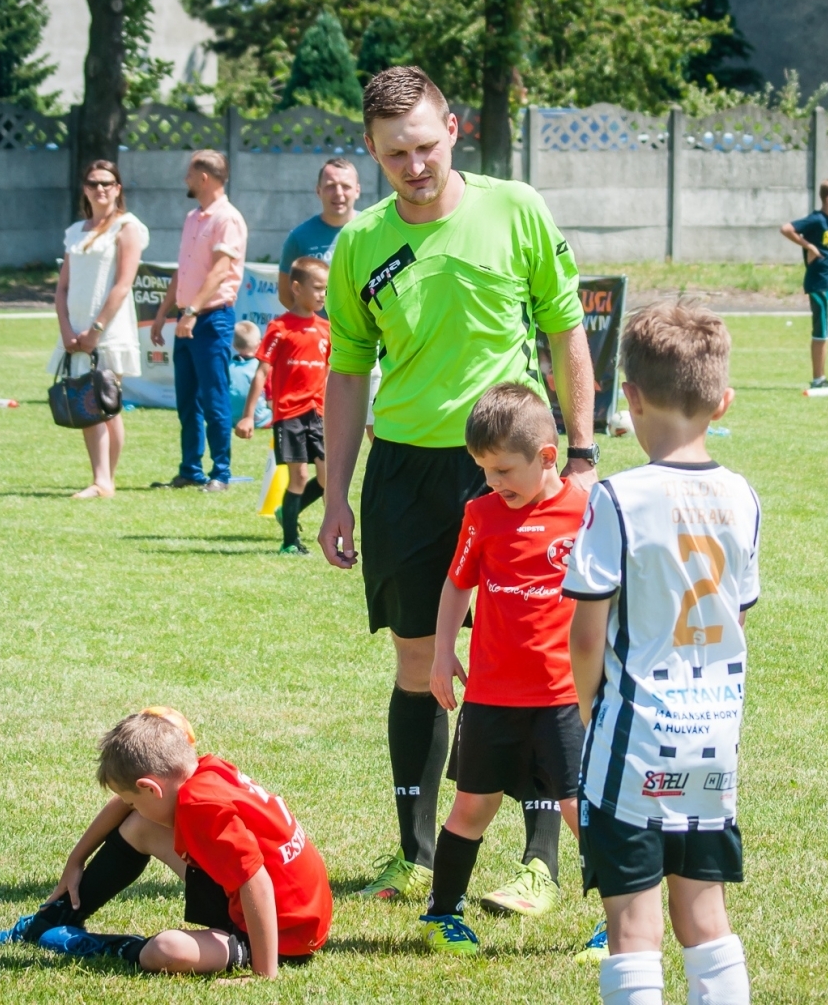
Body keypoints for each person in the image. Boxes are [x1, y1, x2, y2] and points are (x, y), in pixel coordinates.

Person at [319, 66, 597, 903]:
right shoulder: (359, 243)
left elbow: (567, 333)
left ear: (454, 129)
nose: (415, 164)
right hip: (404, 467)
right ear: (372, 151)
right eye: (395, 152)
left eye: (427, 145)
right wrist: (335, 493)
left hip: (514, 468)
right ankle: (415, 852)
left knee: (537, 660)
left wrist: (579, 454)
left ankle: (540, 862)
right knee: (417, 659)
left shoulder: (518, 209)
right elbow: (345, 373)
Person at [565, 301, 760, 1005]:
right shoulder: (743, 496)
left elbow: (586, 634)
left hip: (636, 741)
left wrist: (591, 708)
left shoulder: (618, 499)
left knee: (633, 926)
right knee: (704, 915)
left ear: (630, 398)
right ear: (723, 401)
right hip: (712, 739)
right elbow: (736, 617)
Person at [420, 383, 592, 956]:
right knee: (473, 806)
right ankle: (444, 914)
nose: (493, 483)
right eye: (484, 471)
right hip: (492, 697)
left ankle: (622, 919)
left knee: (578, 807)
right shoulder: (481, 514)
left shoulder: (588, 511)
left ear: (547, 457)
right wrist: (444, 653)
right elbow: (456, 584)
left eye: (502, 471)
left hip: (564, 696)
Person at [0, 707, 333, 977]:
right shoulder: (202, 770)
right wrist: (76, 860)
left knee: (165, 950)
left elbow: (257, 881)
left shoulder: (200, 807)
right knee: (140, 826)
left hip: (284, 934)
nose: (130, 808)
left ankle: (109, 947)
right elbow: (128, 804)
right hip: (295, 908)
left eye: (135, 800)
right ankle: (51, 920)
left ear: (152, 788)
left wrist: (265, 975)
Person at [151, 150, 246, 494]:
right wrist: (164, 313)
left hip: (212, 319)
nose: (186, 181)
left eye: (190, 174)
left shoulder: (228, 219)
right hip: (186, 319)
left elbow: (221, 269)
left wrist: (191, 312)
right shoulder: (194, 217)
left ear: (204, 178)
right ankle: (190, 469)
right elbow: (185, 269)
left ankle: (220, 472)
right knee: (187, 398)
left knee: (214, 396)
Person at [51, 160, 146, 499]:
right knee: (88, 403)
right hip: (76, 330)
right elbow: (62, 287)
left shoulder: (127, 227)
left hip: (109, 329)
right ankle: (102, 478)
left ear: (118, 188)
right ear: (85, 189)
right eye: (93, 183)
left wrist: (97, 329)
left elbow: (122, 284)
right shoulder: (75, 231)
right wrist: (66, 328)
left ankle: (104, 479)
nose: (100, 189)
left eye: (107, 183)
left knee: (105, 403)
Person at [238, 257, 330, 555]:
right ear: (296, 287)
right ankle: (290, 541)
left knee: (328, 477)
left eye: (325, 289)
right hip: (289, 415)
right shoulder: (279, 328)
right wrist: (248, 416)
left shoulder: (326, 330)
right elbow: (261, 372)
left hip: (318, 414)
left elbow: (330, 374)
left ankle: (286, 512)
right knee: (299, 476)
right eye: (316, 288)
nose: (322, 295)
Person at [779, 178, 828, 390]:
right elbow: (786, 228)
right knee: (822, 331)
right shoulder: (816, 219)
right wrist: (809, 247)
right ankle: (819, 379)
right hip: (822, 284)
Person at [278, 158, 361, 305]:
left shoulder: (374, 230)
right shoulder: (299, 238)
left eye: (346, 186)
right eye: (331, 186)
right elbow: (286, 295)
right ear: (318, 191)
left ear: (357, 191)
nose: (339, 193)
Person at [228, 320, 270, 434]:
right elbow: (271, 399)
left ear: (234, 345)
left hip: (231, 420)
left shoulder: (227, 366)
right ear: (259, 343)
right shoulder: (262, 367)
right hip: (261, 420)